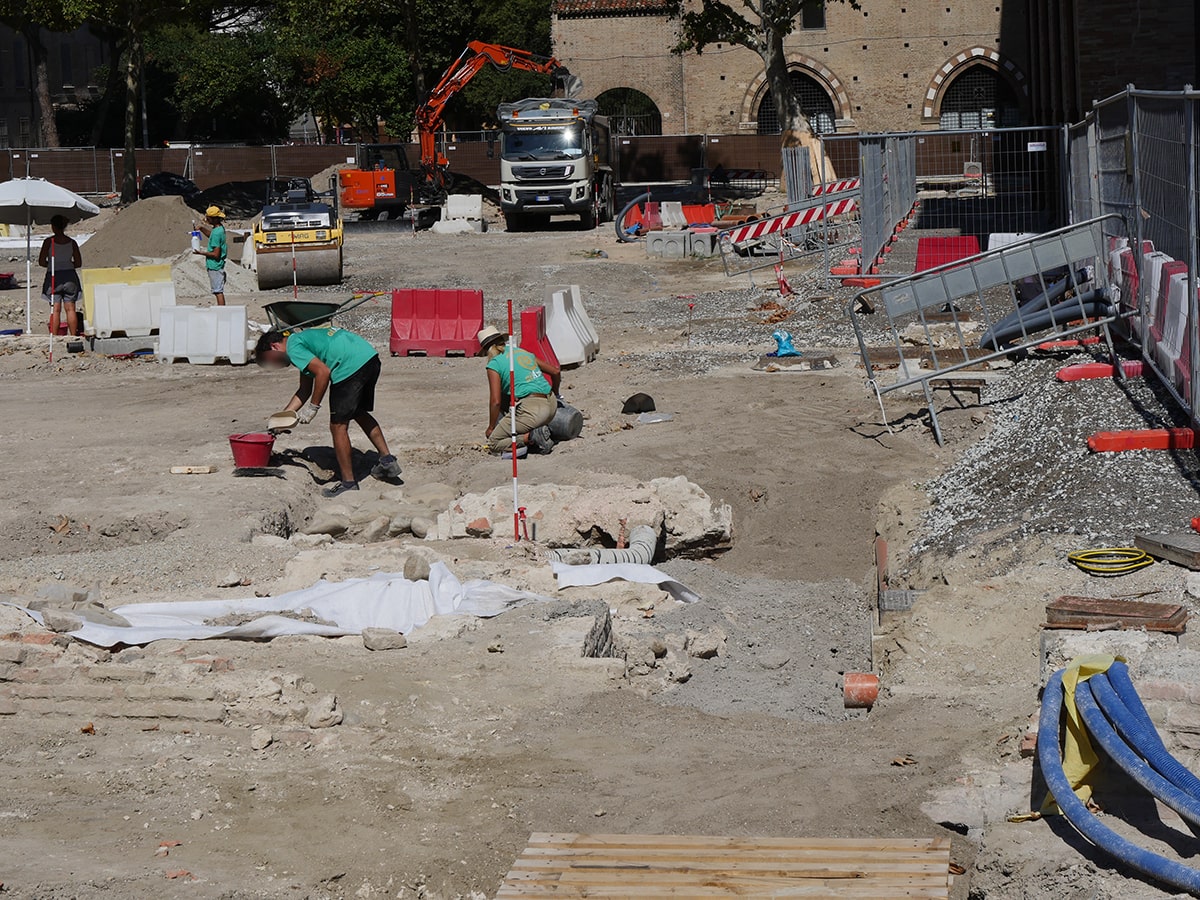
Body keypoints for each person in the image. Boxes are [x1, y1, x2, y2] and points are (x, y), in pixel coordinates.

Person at [255, 326, 402, 498]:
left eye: (269, 360)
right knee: (359, 412)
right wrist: (280, 421)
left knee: (338, 426)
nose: (274, 365)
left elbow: (323, 372)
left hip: (349, 367)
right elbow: (304, 390)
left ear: (273, 346)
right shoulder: (301, 343)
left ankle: (348, 483)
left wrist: (313, 408)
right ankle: (387, 461)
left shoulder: (293, 347)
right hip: (368, 358)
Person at [477, 325, 561, 455]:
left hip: (534, 411)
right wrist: (556, 393)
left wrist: (491, 427)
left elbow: (495, 401)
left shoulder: (494, 364)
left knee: (494, 442)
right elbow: (555, 371)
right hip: (551, 404)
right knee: (506, 395)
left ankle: (531, 437)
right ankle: (530, 430)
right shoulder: (521, 352)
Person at [38, 215, 82, 336]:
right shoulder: (72, 242)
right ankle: (73, 336)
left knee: (55, 310)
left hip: (54, 275)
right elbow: (78, 263)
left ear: (53, 227)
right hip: (70, 275)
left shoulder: (48, 242)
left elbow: (41, 261)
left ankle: (56, 337)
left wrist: (51, 264)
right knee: (71, 308)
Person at [194, 205, 227, 306]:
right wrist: (202, 229)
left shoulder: (217, 233)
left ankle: (221, 312)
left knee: (218, 291)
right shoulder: (218, 229)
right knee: (217, 290)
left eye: (208, 218)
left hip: (215, 266)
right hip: (215, 265)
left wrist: (201, 252)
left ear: (213, 218)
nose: (206, 219)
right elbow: (211, 236)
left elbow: (216, 254)